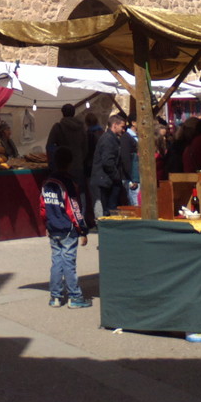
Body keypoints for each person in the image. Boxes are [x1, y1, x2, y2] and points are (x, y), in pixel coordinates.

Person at [39, 146, 91, 308]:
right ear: (69, 163)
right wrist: (82, 229)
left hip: (53, 225)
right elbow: (73, 208)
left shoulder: (47, 182)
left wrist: (46, 223)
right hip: (67, 228)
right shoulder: (68, 182)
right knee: (69, 262)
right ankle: (75, 296)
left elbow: (42, 206)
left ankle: (55, 296)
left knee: (57, 261)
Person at [45, 103, 87, 196]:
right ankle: (80, 210)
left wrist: (54, 163)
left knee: (64, 193)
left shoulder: (58, 127)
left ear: (63, 113)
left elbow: (49, 146)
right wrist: (79, 159)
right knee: (80, 193)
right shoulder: (81, 128)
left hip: (63, 166)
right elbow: (85, 147)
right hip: (78, 165)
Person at [90, 113, 127, 216]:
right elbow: (108, 162)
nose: (124, 130)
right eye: (122, 127)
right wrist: (117, 177)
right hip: (104, 182)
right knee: (106, 211)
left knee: (108, 210)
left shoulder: (112, 139)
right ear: (114, 125)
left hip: (107, 181)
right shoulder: (108, 140)